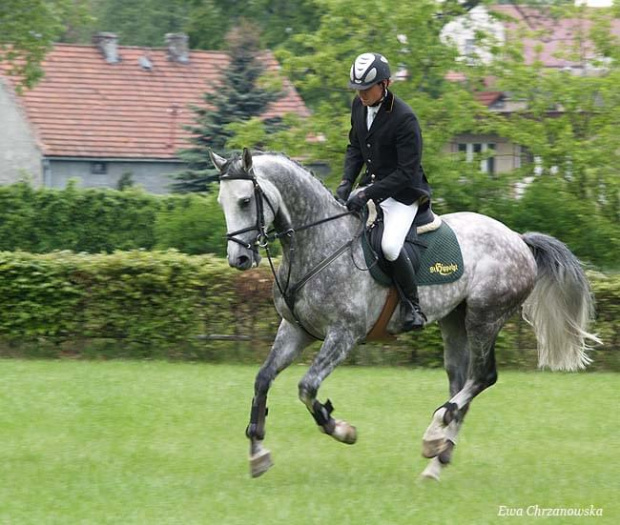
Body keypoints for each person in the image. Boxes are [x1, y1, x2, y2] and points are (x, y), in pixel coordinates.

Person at [336, 52, 431, 331]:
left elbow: (406, 172)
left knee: (389, 246)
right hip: (373, 188)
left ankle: (412, 305)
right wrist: (345, 182)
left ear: (385, 84)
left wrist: (366, 193)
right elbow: (355, 147)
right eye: (358, 89)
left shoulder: (405, 118)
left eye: (367, 88)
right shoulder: (359, 106)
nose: (361, 94)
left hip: (403, 194)